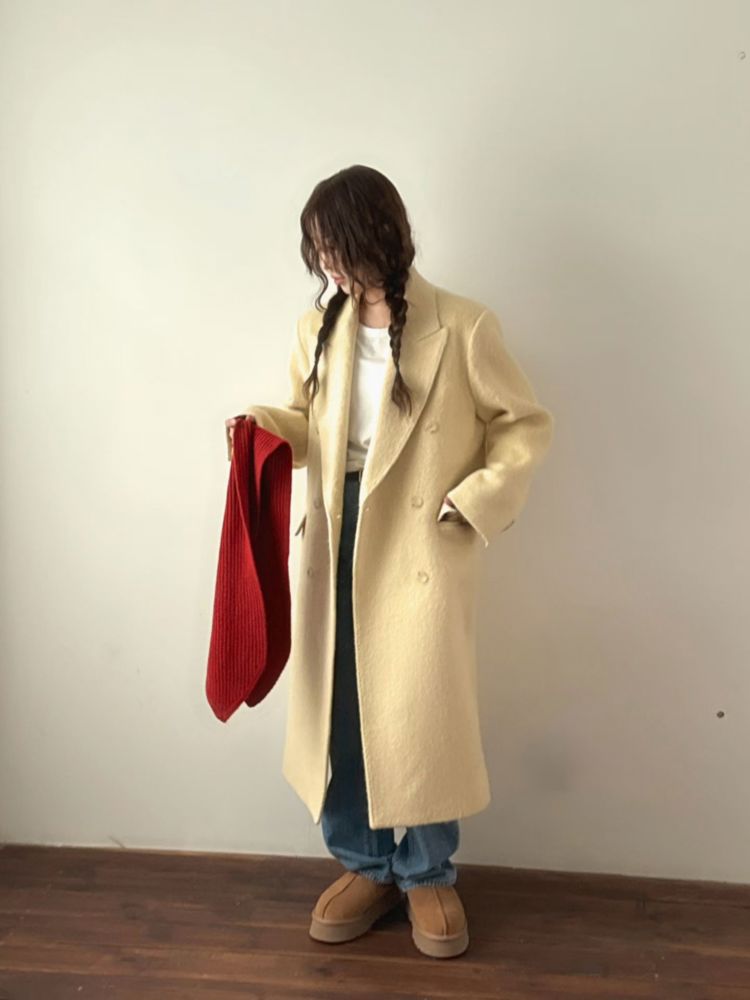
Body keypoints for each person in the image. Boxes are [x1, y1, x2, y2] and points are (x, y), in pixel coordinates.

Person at [226, 165, 554, 959]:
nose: (326, 264)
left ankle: (427, 870)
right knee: (341, 708)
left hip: (418, 543)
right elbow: (308, 425)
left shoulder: (464, 326)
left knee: (421, 710)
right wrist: (260, 427)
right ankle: (365, 864)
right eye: (317, 250)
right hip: (336, 534)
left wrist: (475, 500)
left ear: (376, 235)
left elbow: (523, 424)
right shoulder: (319, 329)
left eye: (333, 245)